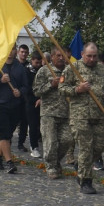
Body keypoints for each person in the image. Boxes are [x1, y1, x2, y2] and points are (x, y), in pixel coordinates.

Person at [60, 43, 104, 194]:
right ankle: (85, 180)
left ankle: (81, 165)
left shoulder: (102, 70)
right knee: (86, 147)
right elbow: (61, 88)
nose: (92, 59)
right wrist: (78, 89)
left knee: (99, 146)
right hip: (80, 116)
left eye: (95, 56)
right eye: (89, 56)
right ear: (82, 54)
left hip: (98, 116)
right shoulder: (73, 68)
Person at [35, 49, 73, 179]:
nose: (62, 58)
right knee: (50, 142)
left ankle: (55, 161)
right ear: (51, 57)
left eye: (63, 55)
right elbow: (36, 90)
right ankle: (51, 167)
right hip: (48, 112)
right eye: (58, 55)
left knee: (67, 140)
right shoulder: (44, 71)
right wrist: (51, 84)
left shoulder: (69, 71)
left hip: (65, 112)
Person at [0, 48, 28, 172]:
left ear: (15, 51)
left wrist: (20, 92)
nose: (10, 52)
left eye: (12, 49)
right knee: (4, 133)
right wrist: (1, 81)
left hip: (14, 104)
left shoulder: (20, 67)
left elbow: (26, 86)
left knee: (8, 133)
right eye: (8, 49)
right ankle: (10, 162)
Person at [25, 52, 45, 157]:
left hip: (42, 101)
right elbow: (27, 87)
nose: (38, 64)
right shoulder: (27, 71)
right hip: (31, 102)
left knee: (41, 126)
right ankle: (34, 146)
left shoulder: (43, 70)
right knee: (32, 126)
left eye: (39, 62)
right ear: (32, 60)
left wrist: (41, 98)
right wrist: (35, 99)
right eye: (36, 62)